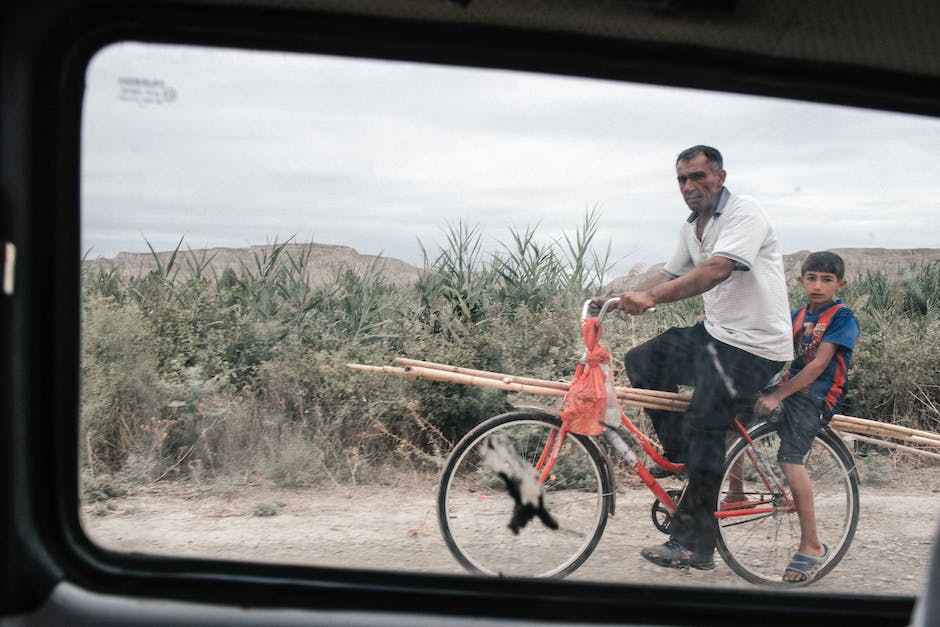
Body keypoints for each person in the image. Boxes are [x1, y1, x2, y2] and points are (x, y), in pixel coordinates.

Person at [606, 145, 793, 570]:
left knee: (707, 421)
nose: (690, 186)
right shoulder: (693, 227)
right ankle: (689, 460)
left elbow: (716, 270)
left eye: (698, 177)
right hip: (717, 336)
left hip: (755, 345)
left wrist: (650, 297)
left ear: (720, 177)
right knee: (643, 360)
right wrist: (616, 300)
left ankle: (697, 545)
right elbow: (670, 273)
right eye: (682, 180)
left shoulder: (745, 214)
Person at [753, 250, 859, 583]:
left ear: (840, 284)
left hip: (817, 395)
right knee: (733, 417)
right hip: (789, 388)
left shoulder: (842, 317)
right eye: (811, 278)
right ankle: (736, 492)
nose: (817, 285)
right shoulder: (796, 315)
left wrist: (776, 395)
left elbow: (816, 367)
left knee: (790, 459)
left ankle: (812, 544)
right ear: (800, 281)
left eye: (826, 280)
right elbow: (771, 349)